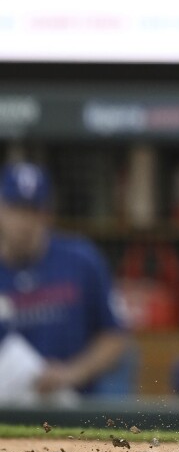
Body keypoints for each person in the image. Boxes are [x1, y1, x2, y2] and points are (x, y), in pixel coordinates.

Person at [0, 163, 128, 400]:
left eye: (33, 210)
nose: (24, 221)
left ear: (47, 214)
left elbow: (115, 338)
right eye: (16, 209)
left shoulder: (82, 260)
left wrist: (71, 373)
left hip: (72, 406)